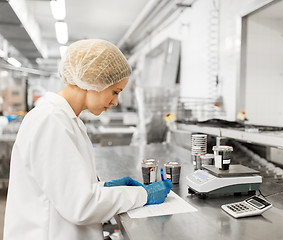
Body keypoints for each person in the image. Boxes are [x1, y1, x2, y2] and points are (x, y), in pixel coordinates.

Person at [3, 39, 173, 240]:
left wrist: (104, 188)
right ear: (94, 80)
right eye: (115, 91)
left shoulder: (67, 119)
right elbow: (81, 205)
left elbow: (67, 188)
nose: (115, 101)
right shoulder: (51, 121)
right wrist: (143, 195)